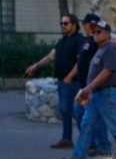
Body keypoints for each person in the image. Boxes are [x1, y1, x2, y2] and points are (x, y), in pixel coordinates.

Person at [62, 21, 116, 159]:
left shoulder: (111, 49)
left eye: (99, 32)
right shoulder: (100, 49)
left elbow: (107, 72)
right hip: (97, 94)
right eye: (93, 32)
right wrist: (90, 89)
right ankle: (78, 156)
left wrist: (89, 88)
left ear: (107, 34)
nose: (95, 34)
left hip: (108, 93)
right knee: (87, 123)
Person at [24, 13, 85, 149]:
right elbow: (50, 56)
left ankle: (89, 140)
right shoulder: (62, 41)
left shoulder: (79, 40)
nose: (63, 26)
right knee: (65, 110)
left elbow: (81, 61)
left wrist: (70, 76)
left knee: (75, 111)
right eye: (61, 23)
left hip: (73, 82)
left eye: (66, 23)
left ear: (74, 25)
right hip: (62, 81)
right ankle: (67, 138)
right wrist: (35, 66)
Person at [67, 13, 110, 156]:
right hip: (85, 86)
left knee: (94, 117)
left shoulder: (98, 43)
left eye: (95, 27)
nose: (91, 29)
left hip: (92, 87)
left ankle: (101, 146)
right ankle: (93, 144)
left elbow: (104, 66)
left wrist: (91, 86)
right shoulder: (88, 41)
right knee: (80, 114)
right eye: (90, 26)